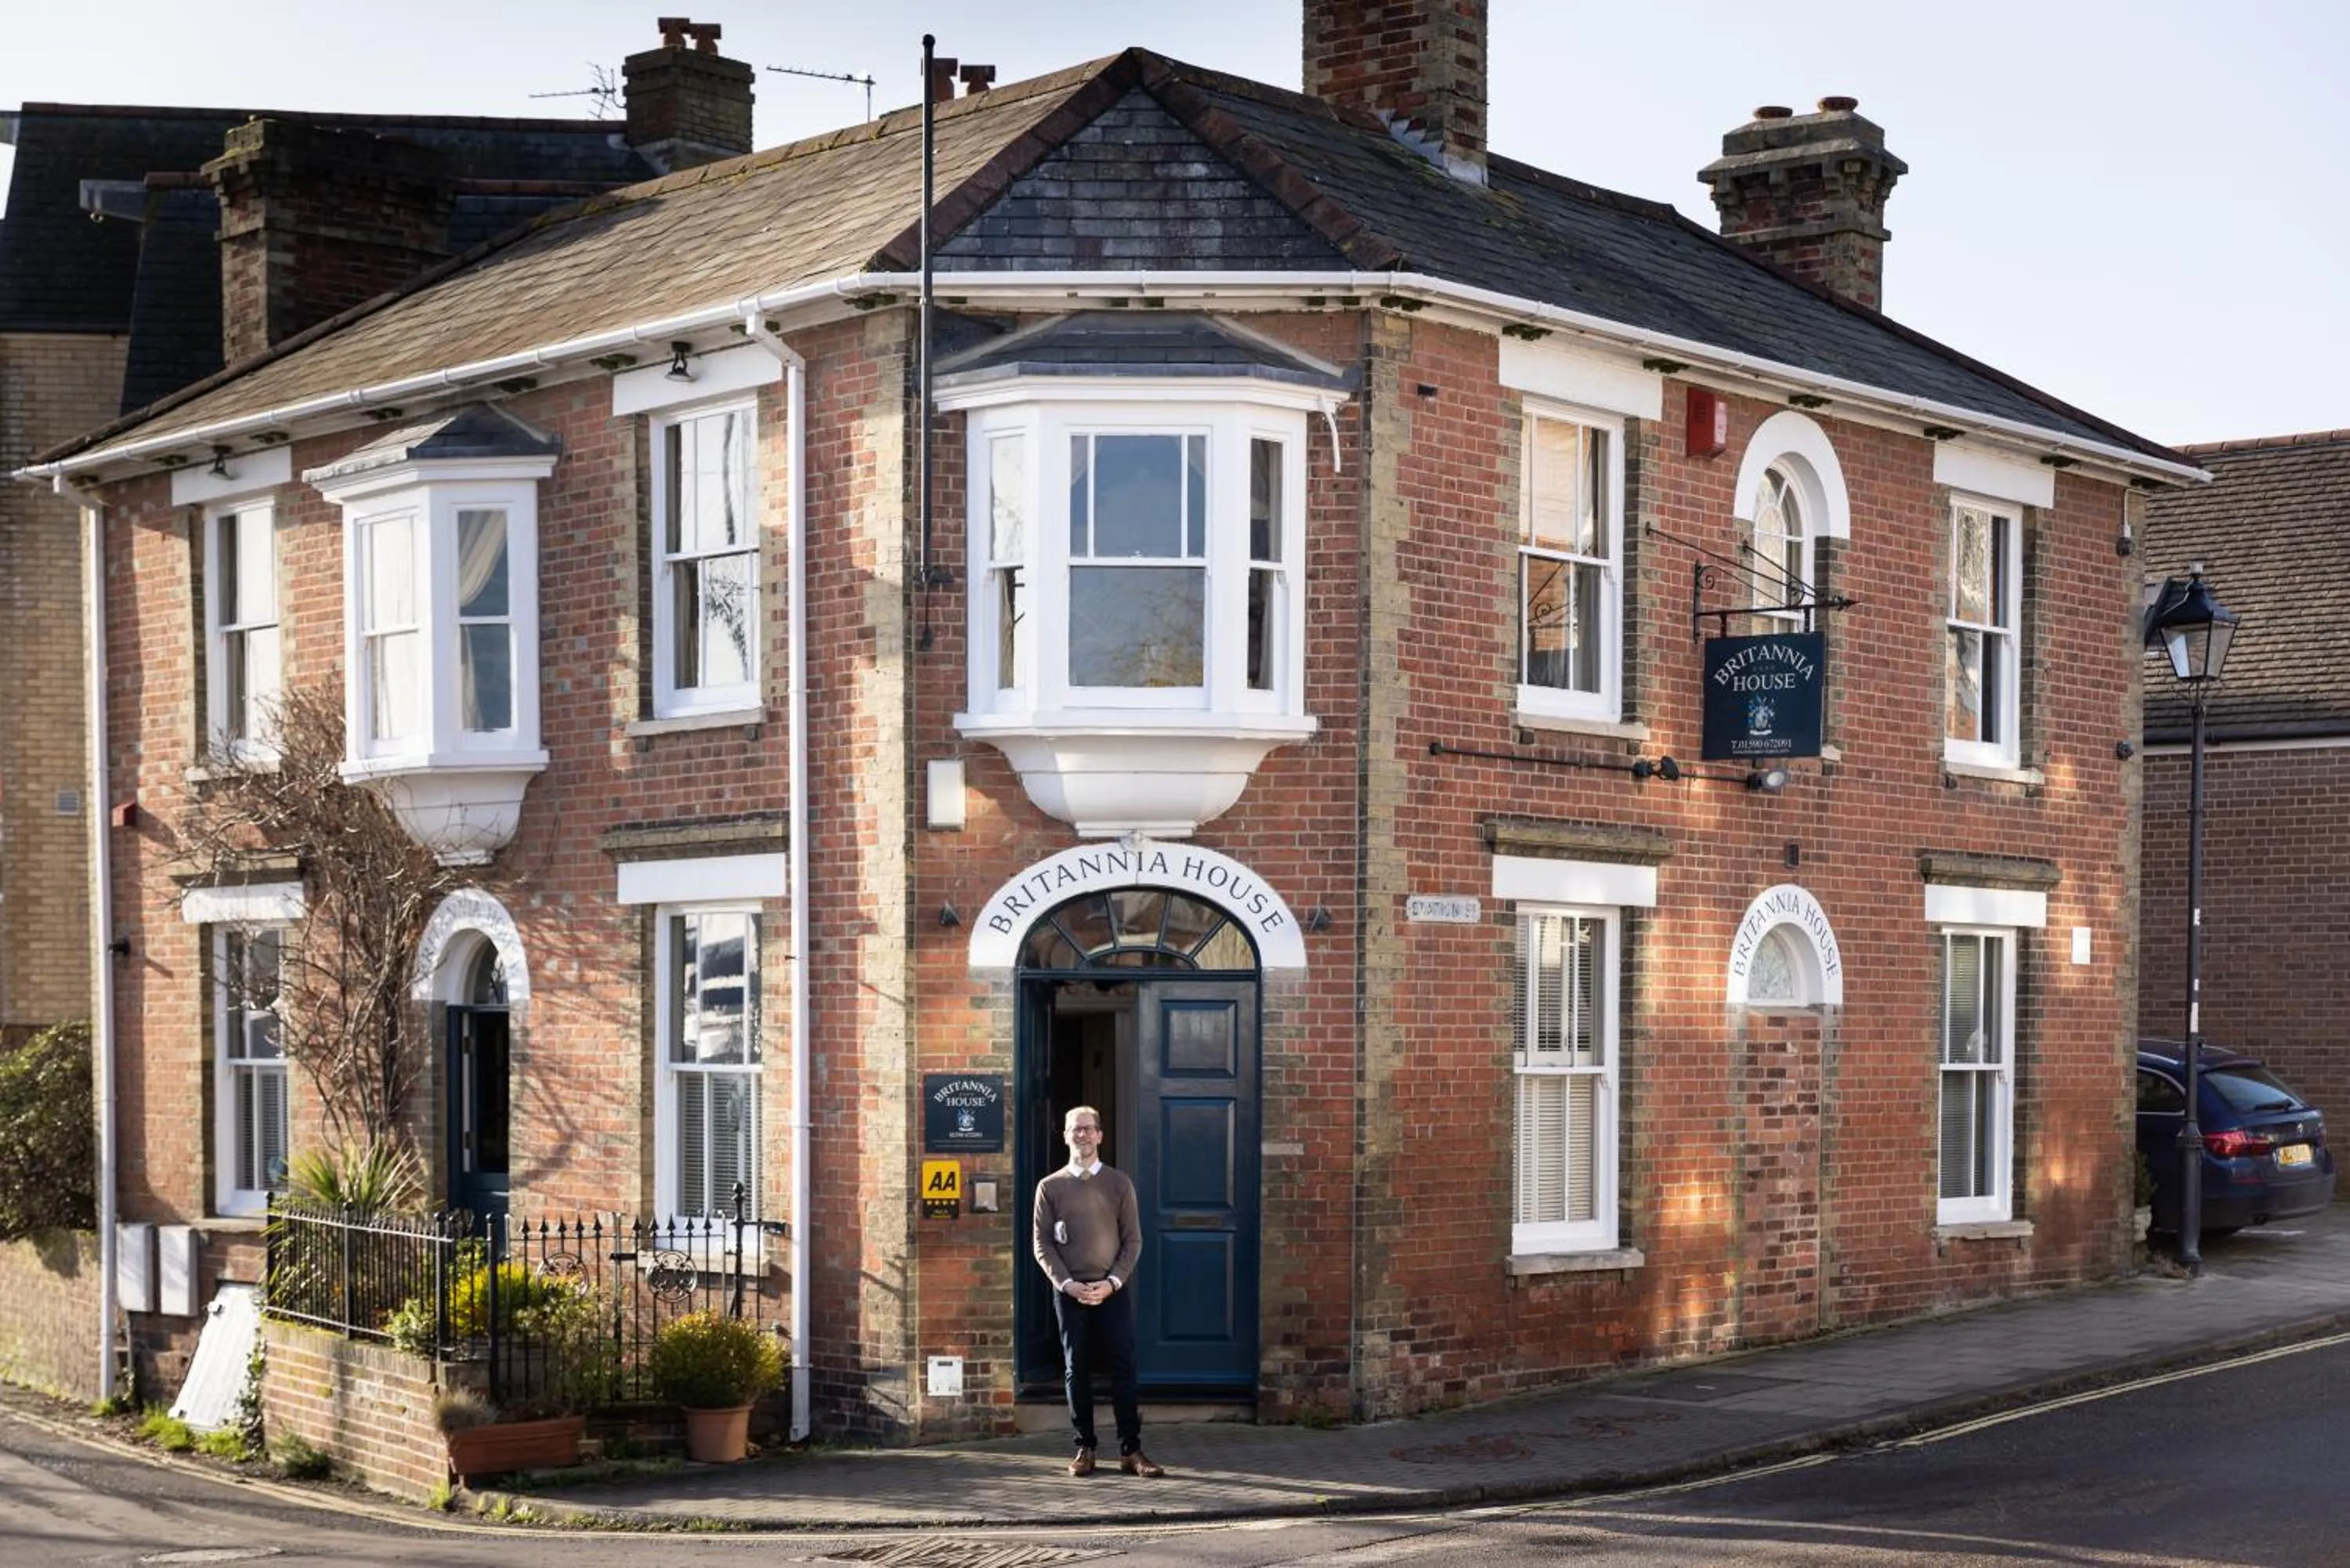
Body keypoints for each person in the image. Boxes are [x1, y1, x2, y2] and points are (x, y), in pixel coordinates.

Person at [1032, 1104, 1162, 1477]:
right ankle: (1084, 1448)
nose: (1082, 1135)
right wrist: (1068, 1284)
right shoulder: (1050, 1187)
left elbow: (1133, 1241)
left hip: (1112, 1290)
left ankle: (1131, 1451)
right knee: (1077, 1369)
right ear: (1066, 1135)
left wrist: (1111, 1283)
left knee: (1123, 1367)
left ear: (1100, 1136)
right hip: (1069, 1290)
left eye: (1089, 1129)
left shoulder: (1119, 1184)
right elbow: (1042, 1244)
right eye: (1076, 1129)